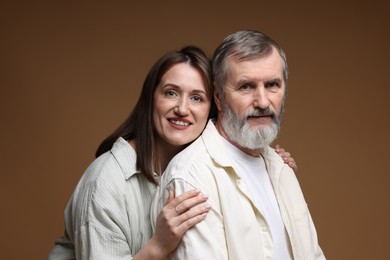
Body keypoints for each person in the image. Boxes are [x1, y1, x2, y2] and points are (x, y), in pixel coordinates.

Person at [48, 44, 298, 259]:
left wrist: (265, 166)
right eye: (171, 93)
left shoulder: (199, 171)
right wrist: (157, 247)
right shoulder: (105, 182)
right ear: (151, 99)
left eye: (197, 98)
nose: (182, 108)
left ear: (214, 107)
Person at [151, 30, 325, 259]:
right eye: (246, 86)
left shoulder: (281, 168)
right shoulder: (192, 177)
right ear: (218, 98)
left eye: (272, 84)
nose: (263, 102)